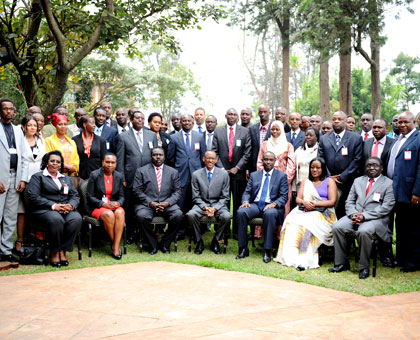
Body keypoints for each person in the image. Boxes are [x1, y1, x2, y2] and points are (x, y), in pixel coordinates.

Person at [329, 157, 395, 279]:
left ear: (382, 168)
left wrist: (364, 216)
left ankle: (364, 267)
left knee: (364, 231)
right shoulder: (358, 181)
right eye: (369, 165)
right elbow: (349, 201)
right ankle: (341, 263)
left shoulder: (388, 183)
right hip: (355, 215)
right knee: (337, 227)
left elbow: (386, 207)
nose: (371, 167)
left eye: (375, 165)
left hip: (376, 219)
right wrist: (354, 214)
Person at [275, 157, 337, 270]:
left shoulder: (329, 181)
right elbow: (298, 199)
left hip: (324, 214)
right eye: (312, 167)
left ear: (323, 169)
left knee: (306, 225)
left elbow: (332, 201)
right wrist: (305, 202)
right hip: (305, 209)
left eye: (318, 168)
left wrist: (315, 204)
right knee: (291, 222)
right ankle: (290, 258)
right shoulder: (306, 182)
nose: (315, 170)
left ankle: (304, 260)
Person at [26, 151, 82, 267]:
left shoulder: (65, 179)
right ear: (47, 162)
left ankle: (63, 250)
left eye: (58, 162)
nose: (55, 164)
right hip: (45, 210)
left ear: (61, 165)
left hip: (65, 209)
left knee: (76, 219)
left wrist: (70, 205)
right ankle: (54, 251)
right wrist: (54, 206)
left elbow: (75, 196)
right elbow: (34, 197)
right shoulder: (38, 177)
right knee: (56, 220)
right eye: (52, 161)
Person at [236, 151, 289, 263]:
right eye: (266, 159)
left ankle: (267, 250)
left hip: (272, 206)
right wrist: (245, 201)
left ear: (275, 161)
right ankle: (243, 248)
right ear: (262, 161)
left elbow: (284, 196)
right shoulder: (255, 175)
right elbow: (247, 192)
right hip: (256, 204)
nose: (268, 162)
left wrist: (274, 204)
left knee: (269, 214)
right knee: (241, 212)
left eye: (270, 159)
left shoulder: (281, 176)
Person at [116, 110, 157, 242]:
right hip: (130, 177)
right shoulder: (123, 136)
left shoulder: (151, 135)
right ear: (131, 120)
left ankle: (144, 233)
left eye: (142, 118)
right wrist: (122, 177)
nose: (140, 120)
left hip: (148, 177)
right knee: (130, 205)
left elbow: (156, 156)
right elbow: (120, 159)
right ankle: (130, 233)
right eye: (137, 118)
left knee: (145, 205)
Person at [387, 111, 420, 272]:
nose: (402, 125)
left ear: (413, 122)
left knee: (413, 228)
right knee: (400, 227)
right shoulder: (397, 139)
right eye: (399, 122)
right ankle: (400, 258)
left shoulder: (417, 139)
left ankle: (413, 262)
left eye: (406, 122)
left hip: (411, 192)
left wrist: (417, 192)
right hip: (396, 189)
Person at [133, 147, 183, 254]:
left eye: (160, 155)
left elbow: (177, 191)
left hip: (167, 204)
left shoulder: (173, 172)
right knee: (141, 216)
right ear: (151, 157)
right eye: (155, 155)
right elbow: (137, 190)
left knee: (178, 215)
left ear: (164, 157)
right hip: (147, 204)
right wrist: (150, 203)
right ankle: (153, 245)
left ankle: (165, 244)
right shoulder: (141, 171)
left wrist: (167, 203)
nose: (158, 157)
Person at [212, 108, 251, 239]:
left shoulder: (245, 132)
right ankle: (224, 231)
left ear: (237, 117)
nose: (232, 116)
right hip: (222, 174)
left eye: (234, 114)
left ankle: (236, 231)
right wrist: (222, 168)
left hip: (238, 174)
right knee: (223, 203)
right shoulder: (218, 131)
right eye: (230, 114)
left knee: (238, 203)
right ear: (225, 116)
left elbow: (247, 153)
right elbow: (214, 151)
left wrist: (237, 168)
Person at [318, 111, 363, 218]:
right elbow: (320, 158)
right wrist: (329, 177)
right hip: (328, 181)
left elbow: (357, 160)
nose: (336, 121)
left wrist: (342, 177)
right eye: (334, 119)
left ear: (345, 121)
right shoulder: (324, 138)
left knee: (344, 211)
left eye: (340, 119)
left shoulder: (355, 138)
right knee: (328, 211)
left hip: (348, 182)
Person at [0, 99, 29, 263]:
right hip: (1, 178)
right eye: (5, 109)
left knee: (10, 216)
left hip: (15, 178)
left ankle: (6, 250)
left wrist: (23, 179)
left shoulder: (18, 131)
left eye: (11, 109)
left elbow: (24, 157)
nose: (9, 112)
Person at [187, 151, 231, 254]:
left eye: (212, 158)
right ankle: (199, 241)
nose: (210, 160)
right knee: (191, 215)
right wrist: (205, 207)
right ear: (203, 159)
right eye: (208, 158)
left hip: (218, 204)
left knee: (227, 216)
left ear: (216, 160)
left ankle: (215, 241)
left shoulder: (224, 174)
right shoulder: (196, 174)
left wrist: (214, 208)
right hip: (202, 204)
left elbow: (225, 196)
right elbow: (195, 196)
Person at [15, 115, 46, 253]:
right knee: (21, 211)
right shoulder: (19, 140)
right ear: (24, 127)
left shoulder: (40, 139)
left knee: (37, 209)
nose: (32, 127)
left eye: (35, 125)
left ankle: (35, 238)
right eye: (29, 125)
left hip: (39, 179)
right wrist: (22, 178)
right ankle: (20, 240)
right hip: (23, 179)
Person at [86, 153, 125, 260]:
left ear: (116, 164)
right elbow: (89, 196)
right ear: (103, 162)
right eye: (107, 162)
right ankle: (116, 245)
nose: (110, 165)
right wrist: (103, 204)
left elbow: (122, 196)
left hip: (112, 204)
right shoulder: (95, 175)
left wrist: (119, 203)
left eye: (113, 162)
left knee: (120, 212)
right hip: (97, 206)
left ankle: (115, 245)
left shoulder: (119, 176)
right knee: (108, 214)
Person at [256, 121, 296, 216]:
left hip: (283, 181)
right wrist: (264, 177)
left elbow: (291, 165)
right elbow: (259, 162)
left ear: (281, 130)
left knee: (282, 206)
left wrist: (285, 180)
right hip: (266, 181)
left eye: (277, 129)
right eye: (272, 129)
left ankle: (281, 230)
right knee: (266, 205)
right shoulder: (265, 144)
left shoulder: (288, 146)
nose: (274, 131)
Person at [45, 113, 79, 177]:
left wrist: (73, 168)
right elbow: (48, 158)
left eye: (65, 124)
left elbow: (76, 159)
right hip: (54, 175)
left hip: (70, 175)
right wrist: (65, 166)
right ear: (55, 126)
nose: (63, 126)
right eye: (60, 124)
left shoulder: (72, 142)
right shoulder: (49, 140)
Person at [73, 116, 107, 180]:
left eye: (94, 123)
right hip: (80, 176)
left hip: (97, 176)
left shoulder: (101, 140)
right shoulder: (75, 140)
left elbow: (104, 159)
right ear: (84, 125)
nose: (94, 125)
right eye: (92, 123)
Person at [292, 127, 319, 197]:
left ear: (316, 137)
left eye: (311, 135)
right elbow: (295, 169)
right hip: (300, 185)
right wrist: (294, 187)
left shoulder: (320, 150)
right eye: (306, 135)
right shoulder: (299, 150)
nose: (308, 137)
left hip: (314, 185)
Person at [249, 104, 271, 173]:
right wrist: (247, 169)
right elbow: (249, 150)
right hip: (254, 167)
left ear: (269, 113)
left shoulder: (275, 128)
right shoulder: (252, 129)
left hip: (270, 166)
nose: (262, 114)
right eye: (261, 112)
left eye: (265, 112)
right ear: (258, 113)